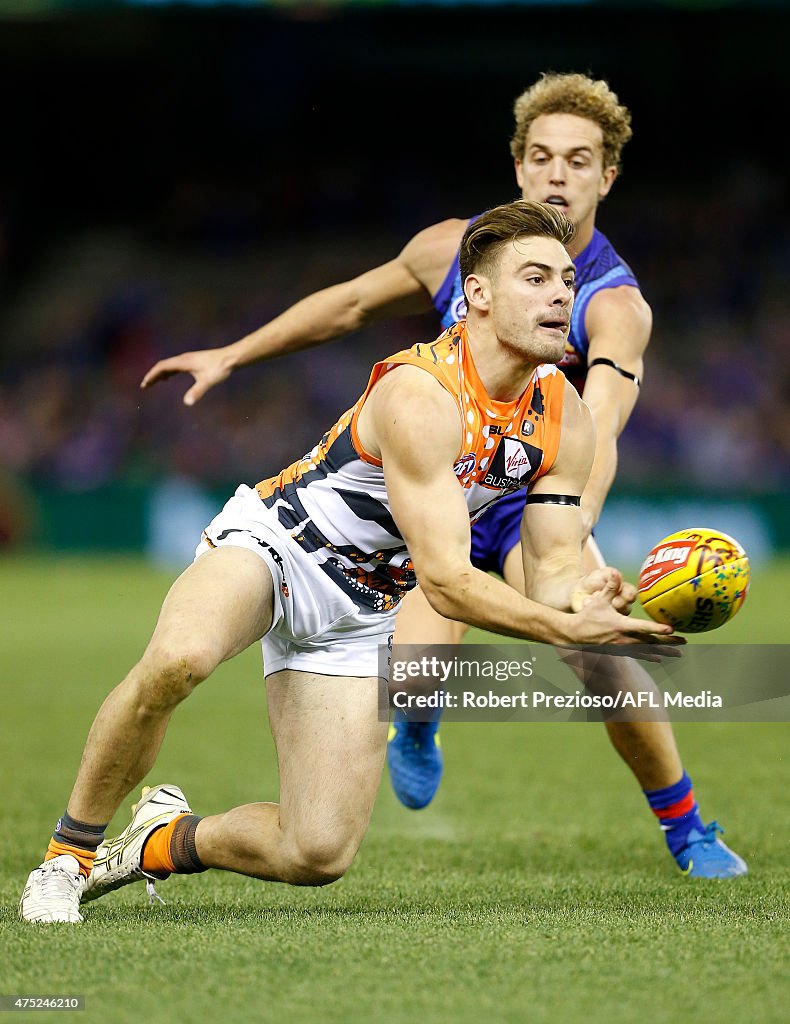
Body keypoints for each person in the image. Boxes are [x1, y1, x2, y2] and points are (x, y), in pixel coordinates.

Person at [134, 74, 747, 880]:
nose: (558, 175)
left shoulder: (613, 306)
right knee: (409, 678)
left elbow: (598, 428)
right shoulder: (453, 250)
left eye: (579, 160)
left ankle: (689, 829)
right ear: (518, 168)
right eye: (541, 157)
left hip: (537, 502)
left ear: (608, 177)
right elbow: (350, 305)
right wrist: (234, 354)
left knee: (603, 658)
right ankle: (420, 720)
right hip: (440, 494)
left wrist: (575, 546)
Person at [19, 201, 682, 925]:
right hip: (281, 547)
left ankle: (161, 840)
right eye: (536, 278)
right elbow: (449, 584)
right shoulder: (421, 394)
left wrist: (583, 601)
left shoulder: (567, 414)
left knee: (315, 853)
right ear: (480, 296)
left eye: (565, 280)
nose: (561, 295)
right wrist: (566, 634)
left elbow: (551, 567)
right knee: (180, 658)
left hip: (365, 610)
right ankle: (66, 858)